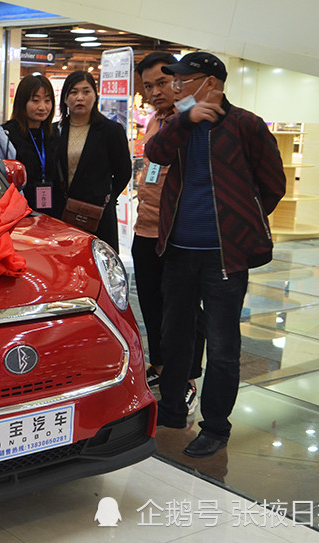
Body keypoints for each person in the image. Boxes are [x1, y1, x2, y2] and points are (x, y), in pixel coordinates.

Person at [145, 52, 286, 458]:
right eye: (175, 82)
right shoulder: (179, 123)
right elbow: (156, 153)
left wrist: (238, 223)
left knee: (223, 343)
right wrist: (185, 118)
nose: (176, 88)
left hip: (225, 254)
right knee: (176, 336)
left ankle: (216, 427)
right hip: (178, 249)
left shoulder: (246, 125)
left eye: (183, 81)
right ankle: (171, 412)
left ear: (211, 83)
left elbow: (271, 185)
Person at [133, 52, 205, 414]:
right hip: (145, 226)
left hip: (178, 230)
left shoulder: (193, 120)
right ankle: (162, 366)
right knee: (151, 301)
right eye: (148, 86)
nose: (156, 92)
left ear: (178, 80)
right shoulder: (154, 121)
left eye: (162, 82)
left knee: (184, 307)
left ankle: (187, 377)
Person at [54, 70, 131, 252]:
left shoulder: (111, 131)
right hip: (62, 213)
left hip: (97, 213)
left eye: (86, 92)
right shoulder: (55, 131)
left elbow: (123, 172)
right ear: (65, 98)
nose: (80, 97)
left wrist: (106, 197)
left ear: (95, 96)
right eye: (73, 92)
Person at [2, 75, 59, 214]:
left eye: (47, 100)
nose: (42, 107)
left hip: (50, 210)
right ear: (22, 102)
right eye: (35, 100)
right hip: (19, 211)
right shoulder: (8, 134)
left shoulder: (53, 133)